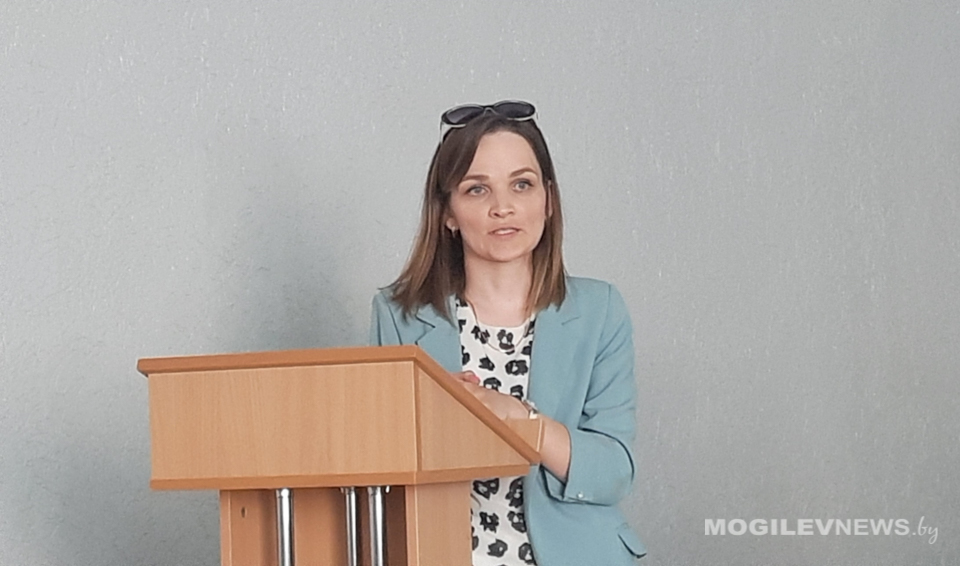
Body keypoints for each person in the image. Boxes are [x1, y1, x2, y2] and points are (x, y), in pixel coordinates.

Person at [369, 100, 646, 565]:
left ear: (548, 200)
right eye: (477, 189)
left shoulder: (599, 310)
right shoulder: (398, 315)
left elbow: (613, 472)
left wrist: (519, 419)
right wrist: (431, 420)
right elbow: (378, 470)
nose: (503, 207)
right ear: (448, 212)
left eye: (522, 184)